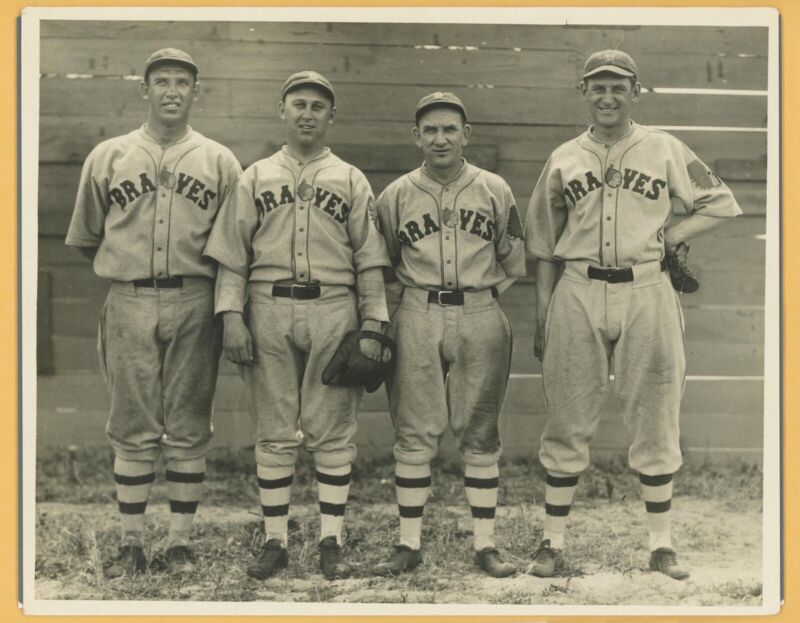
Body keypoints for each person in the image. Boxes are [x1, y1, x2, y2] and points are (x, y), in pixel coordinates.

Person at [525, 50, 742, 580]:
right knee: (567, 417)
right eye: (598, 87)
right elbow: (545, 247)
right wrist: (543, 312)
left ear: (635, 92)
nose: (608, 96)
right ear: (584, 93)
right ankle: (552, 542)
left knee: (655, 413)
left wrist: (673, 234)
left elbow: (719, 200)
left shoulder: (663, 147)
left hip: (647, 286)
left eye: (618, 87)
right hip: (577, 286)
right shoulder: (563, 157)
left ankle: (661, 545)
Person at [203, 71, 390, 581]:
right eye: (299, 103)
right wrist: (231, 315)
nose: (308, 113)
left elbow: (369, 259)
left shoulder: (350, 178)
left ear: (332, 116)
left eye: (318, 106)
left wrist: (374, 321)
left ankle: (332, 538)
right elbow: (232, 257)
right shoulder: (255, 176)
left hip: (334, 306)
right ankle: (275, 540)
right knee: (275, 428)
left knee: (332, 428)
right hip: (266, 305)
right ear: (281, 110)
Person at [65, 48, 242, 577]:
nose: (171, 90)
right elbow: (86, 238)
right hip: (129, 298)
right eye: (161, 81)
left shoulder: (219, 160)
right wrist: (127, 269)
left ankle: (180, 542)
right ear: (144, 90)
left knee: (188, 422)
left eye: (182, 82)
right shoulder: (109, 155)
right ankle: (130, 542)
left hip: (195, 298)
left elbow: (232, 247)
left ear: (194, 91)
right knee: (132, 422)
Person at [372, 92, 526, 578]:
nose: (440, 138)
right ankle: (408, 544)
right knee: (414, 432)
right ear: (416, 136)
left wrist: (483, 296)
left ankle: (485, 545)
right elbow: (382, 265)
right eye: (430, 130)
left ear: (466, 134)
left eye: (449, 129)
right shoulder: (395, 194)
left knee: (480, 432)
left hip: (480, 311)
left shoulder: (494, 188)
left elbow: (515, 260)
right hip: (417, 311)